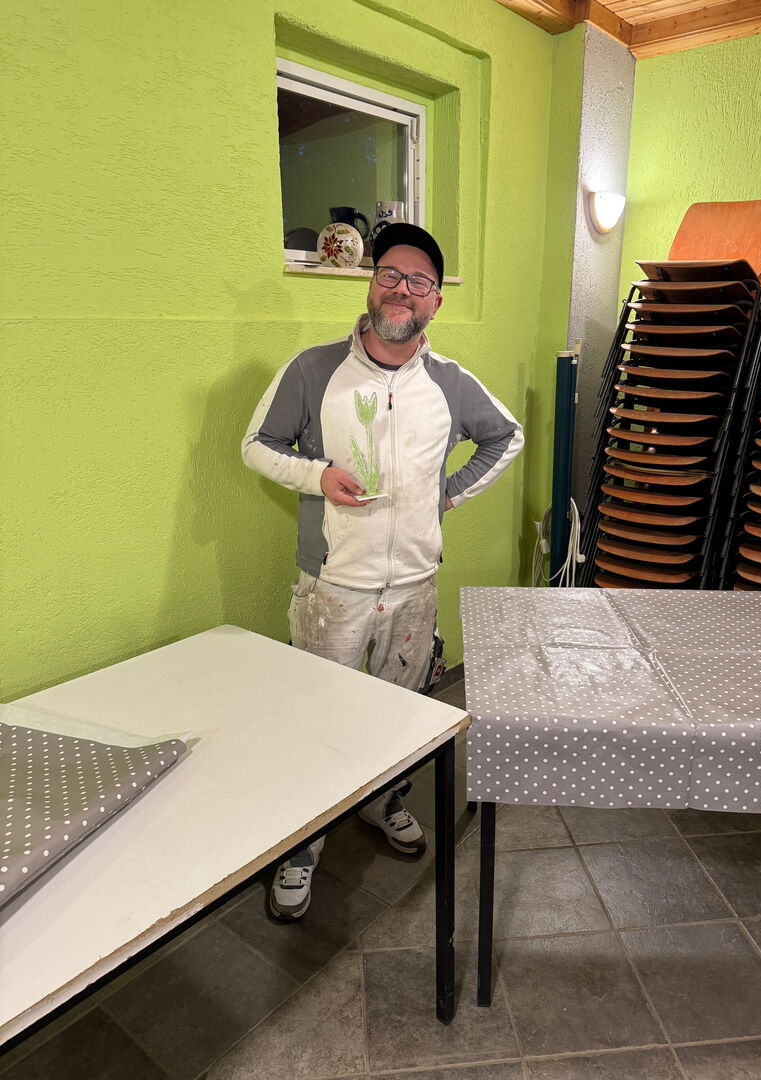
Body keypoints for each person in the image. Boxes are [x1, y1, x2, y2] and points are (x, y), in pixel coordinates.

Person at [242, 223, 524, 918]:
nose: (403, 290)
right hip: (332, 588)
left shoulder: (450, 383)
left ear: (436, 303)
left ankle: (381, 801)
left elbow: (506, 436)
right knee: (317, 721)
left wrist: (448, 494)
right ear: (371, 286)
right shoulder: (313, 371)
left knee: (400, 714)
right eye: (391, 274)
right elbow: (256, 445)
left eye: (420, 281)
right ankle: (301, 848)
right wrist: (316, 475)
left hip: (414, 588)